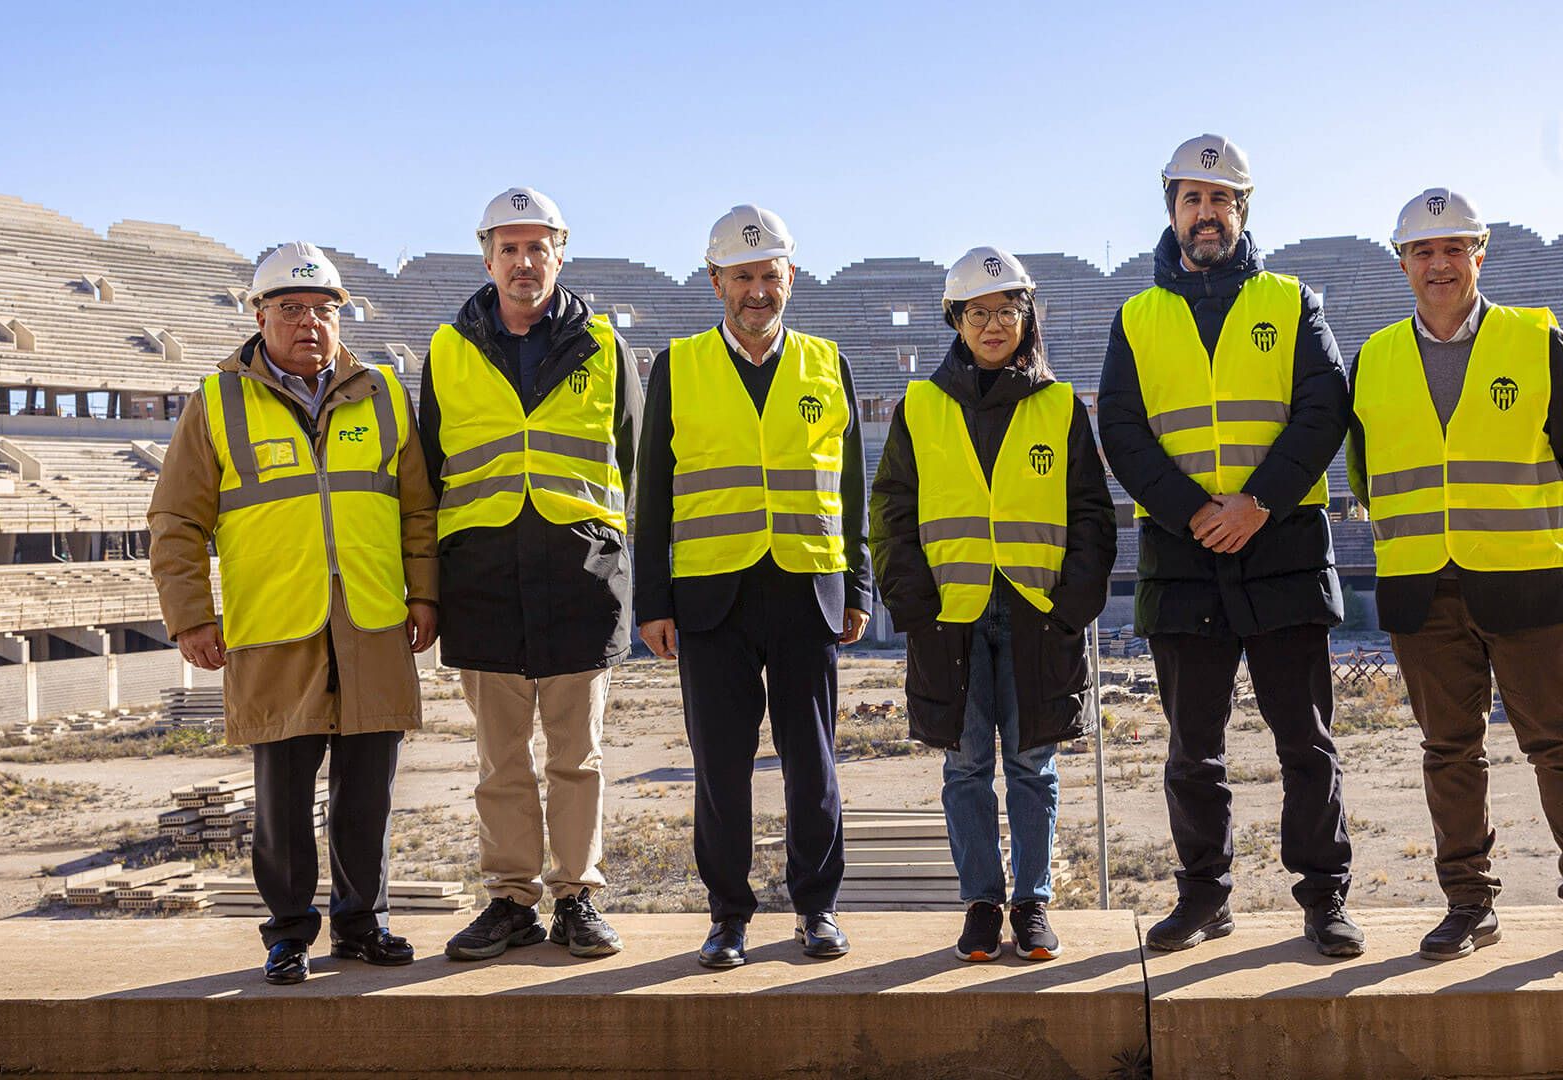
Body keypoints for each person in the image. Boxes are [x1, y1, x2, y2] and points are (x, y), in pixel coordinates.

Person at [1348, 188, 1563, 968]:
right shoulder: (1374, 358)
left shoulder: (1534, 339)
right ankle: (1469, 906)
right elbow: (1365, 475)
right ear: (1402, 263)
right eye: (1423, 251)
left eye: (1454, 248)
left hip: (1526, 584)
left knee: (1561, 747)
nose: (1439, 264)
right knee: (1449, 753)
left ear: (1480, 254)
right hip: (1422, 587)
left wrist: (1538, 541)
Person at [1097, 134, 1362, 957]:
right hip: (1183, 560)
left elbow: (1324, 409)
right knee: (1192, 751)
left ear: (1243, 209)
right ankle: (1204, 895)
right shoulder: (1136, 318)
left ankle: (1324, 898)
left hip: (1282, 549)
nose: (1205, 213)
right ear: (1172, 210)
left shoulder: (1292, 302)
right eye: (1192, 199)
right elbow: (1122, 431)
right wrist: (1193, 512)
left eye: (1220, 199)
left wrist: (1256, 503)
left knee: (1306, 744)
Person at [148, 242, 437, 984]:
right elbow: (176, 519)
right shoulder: (218, 401)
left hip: (371, 621)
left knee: (366, 793)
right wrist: (190, 616)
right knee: (282, 797)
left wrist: (425, 595)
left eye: (323, 309)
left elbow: (417, 510)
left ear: (341, 315)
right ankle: (287, 933)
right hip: (275, 625)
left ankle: (362, 924)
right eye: (291, 308)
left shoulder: (383, 393)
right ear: (259, 316)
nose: (309, 322)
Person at [634, 205, 871, 969]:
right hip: (712, 597)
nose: (757, 290)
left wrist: (858, 584)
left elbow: (852, 487)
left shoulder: (827, 364)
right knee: (720, 769)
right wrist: (652, 600)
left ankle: (816, 907)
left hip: (807, 589)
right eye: (742, 277)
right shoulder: (679, 366)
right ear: (716, 282)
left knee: (814, 764)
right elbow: (652, 491)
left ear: (790, 277)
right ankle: (728, 915)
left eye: (769, 275)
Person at [870, 247, 1116, 962]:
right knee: (966, 767)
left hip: (1038, 614)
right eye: (977, 312)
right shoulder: (921, 406)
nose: (993, 324)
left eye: (1007, 309)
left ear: (1027, 315)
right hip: (952, 617)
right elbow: (891, 511)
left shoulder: (1060, 406)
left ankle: (1031, 904)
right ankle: (981, 904)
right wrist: (913, 606)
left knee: (1034, 766)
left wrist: (1073, 605)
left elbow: (1092, 513)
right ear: (956, 320)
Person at [419, 188, 641, 961]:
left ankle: (578, 896)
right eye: (508, 248)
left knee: (578, 756)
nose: (523, 261)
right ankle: (511, 901)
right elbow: (429, 474)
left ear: (559, 254)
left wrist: (631, 574)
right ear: (487, 257)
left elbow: (635, 465)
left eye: (537, 247)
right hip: (482, 581)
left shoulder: (606, 347)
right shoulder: (447, 349)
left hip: (582, 578)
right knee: (500, 761)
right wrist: (428, 588)